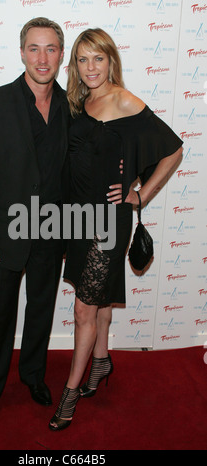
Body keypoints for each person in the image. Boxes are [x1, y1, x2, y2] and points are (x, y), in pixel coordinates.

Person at [49, 28, 183, 431]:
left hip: (108, 221)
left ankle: (70, 393)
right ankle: (102, 361)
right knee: (100, 295)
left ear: (111, 61)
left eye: (98, 58)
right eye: (83, 59)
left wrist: (140, 196)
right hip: (77, 216)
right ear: (75, 65)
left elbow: (173, 150)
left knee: (83, 307)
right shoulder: (80, 100)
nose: (91, 67)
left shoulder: (126, 100)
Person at [0, 17, 71, 432]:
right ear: (21, 51)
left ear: (61, 55)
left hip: (52, 230)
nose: (42, 58)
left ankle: (33, 376)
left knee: (41, 310)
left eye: (50, 49)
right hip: (4, 233)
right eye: (34, 48)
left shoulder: (71, 106)